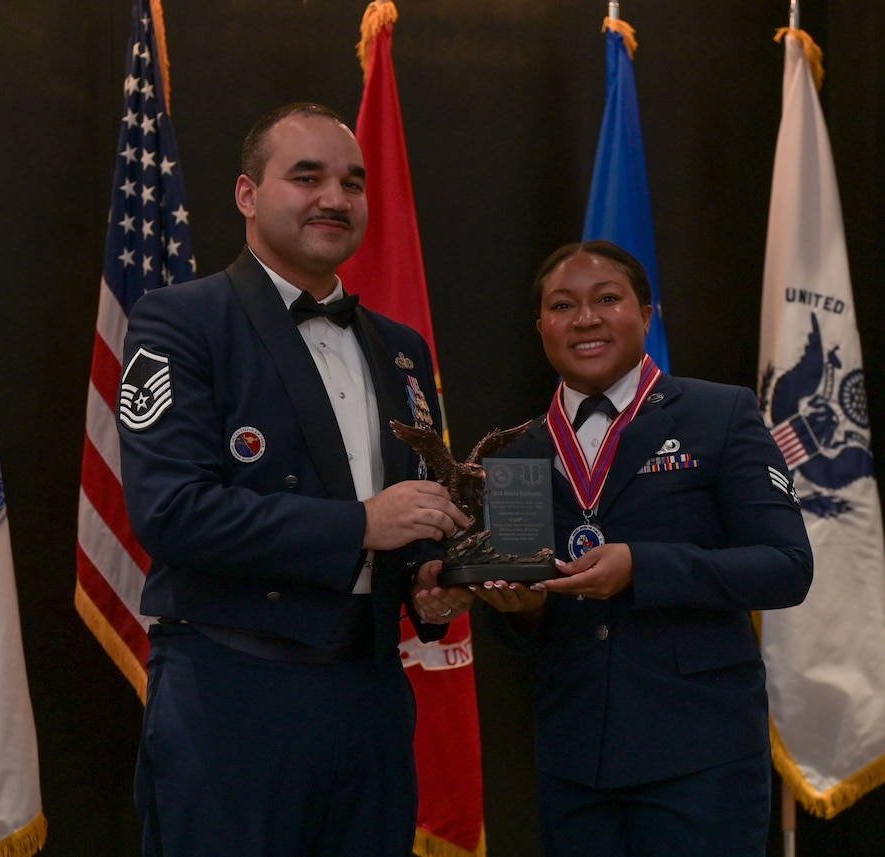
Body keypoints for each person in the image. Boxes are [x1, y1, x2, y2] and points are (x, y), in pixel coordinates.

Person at [117, 102, 473, 857]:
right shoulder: (180, 320)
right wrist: (362, 526)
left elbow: (409, 520)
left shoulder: (401, 348)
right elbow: (171, 511)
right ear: (248, 195)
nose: (334, 199)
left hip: (374, 690)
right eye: (305, 177)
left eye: (351, 182)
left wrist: (431, 587)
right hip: (235, 687)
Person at [477, 240, 813, 856]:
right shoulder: (515, 454)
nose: (585, 319)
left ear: (647, 314)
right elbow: (520, 618)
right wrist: (519, 610)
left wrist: (644, 567)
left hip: (699, 759)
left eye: (607, 299)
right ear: (541, 326)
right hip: (574, 761)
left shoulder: (719, 414)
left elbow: (786, 569)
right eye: (562, 305)